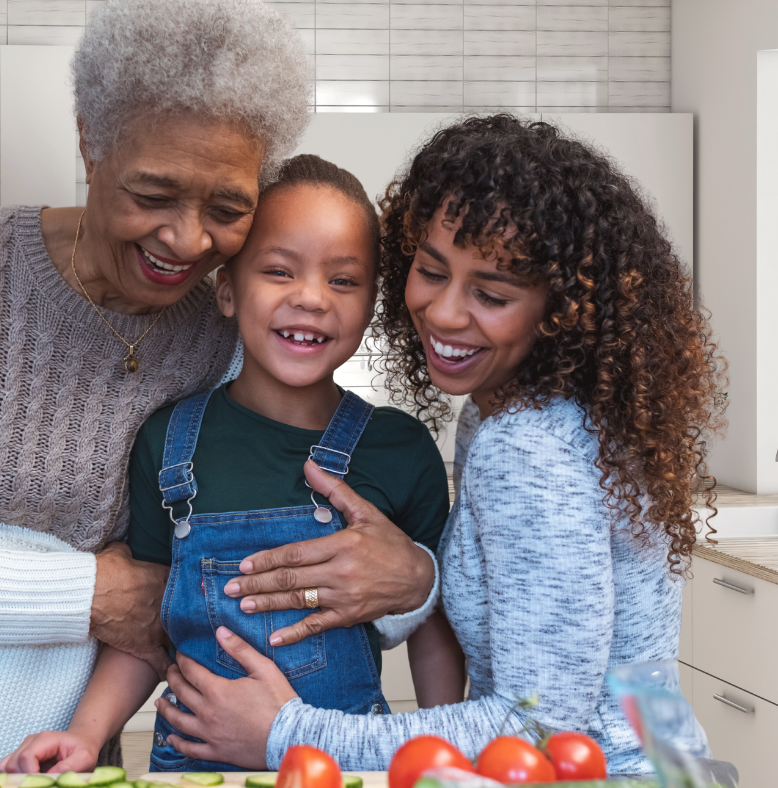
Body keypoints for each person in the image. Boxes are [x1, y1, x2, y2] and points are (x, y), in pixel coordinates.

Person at [152, 115, 726, 776]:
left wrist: (288, 733)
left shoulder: (526, 447)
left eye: (491, 294)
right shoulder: (518, 412)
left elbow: (538, 725)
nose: (445, 313)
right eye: (430, 271)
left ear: (561, 307)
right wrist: (419, 577)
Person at [0, 0, 321, 775]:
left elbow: (225, 569)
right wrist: (91, 593)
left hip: (64, 767)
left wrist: (409, 577)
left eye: (228, 208)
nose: (187, 239)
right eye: (153, 195)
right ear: (91, 142)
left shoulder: (226, 337)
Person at [0, 155, 450, 776]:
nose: (311, 298)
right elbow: (146, 629)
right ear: (227, 291)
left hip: (345, 766)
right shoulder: (167, 442)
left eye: (344, 280)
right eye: (279, 271)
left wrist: (443, 762)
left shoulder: (401, 449)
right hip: (195, 768)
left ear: (372, 303)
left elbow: (432, 624)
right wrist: (84, 735)